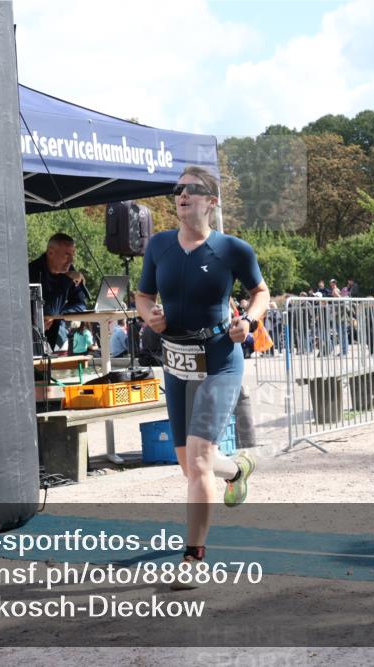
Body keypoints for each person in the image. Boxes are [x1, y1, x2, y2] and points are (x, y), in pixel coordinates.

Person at [136, 165, 269, 589]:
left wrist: (247, 321)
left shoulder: (232, 249)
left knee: (197, 462)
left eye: (191, 190)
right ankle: (236, 472)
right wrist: (149, 317)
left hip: (219, 358)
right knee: (190, 466)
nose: (181, 195)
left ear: (211, 201)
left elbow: (260, 292)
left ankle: (193, 559)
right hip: (176, 360)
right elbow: (143, 295)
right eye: (177, 190)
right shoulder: (157, 246)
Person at [28, 233, 89, 353]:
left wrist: (58, 315)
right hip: (31, 340)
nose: (71, 260)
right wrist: (67, 279)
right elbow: (49, 310)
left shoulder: (69, 272)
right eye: (66, 255)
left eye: (72, 255)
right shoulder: (32, 272)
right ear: (51, 253)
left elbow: (81, 304)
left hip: (56, 339)